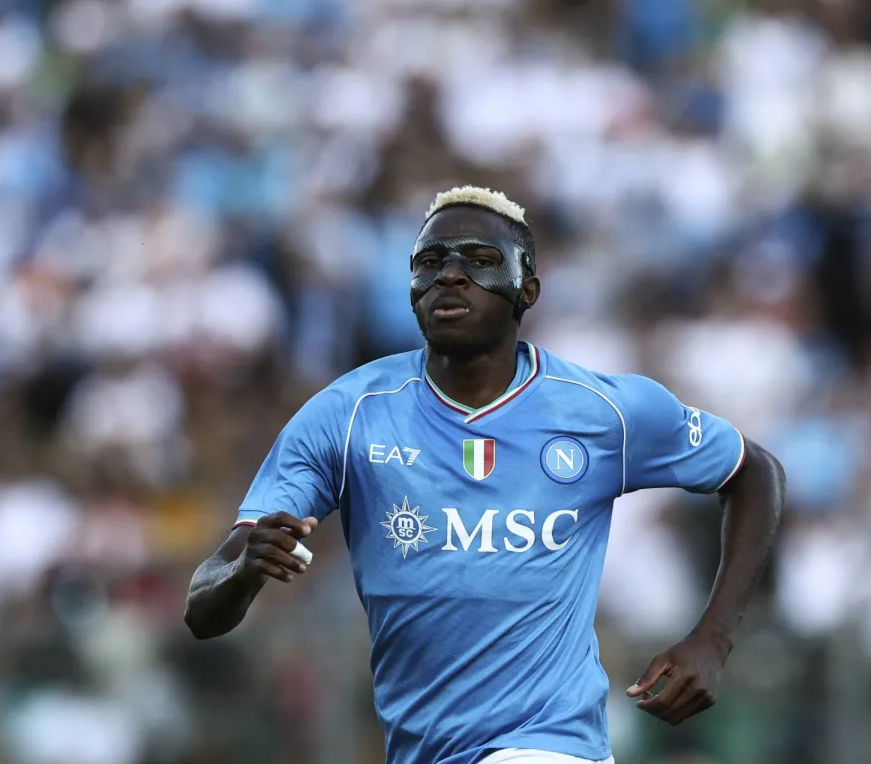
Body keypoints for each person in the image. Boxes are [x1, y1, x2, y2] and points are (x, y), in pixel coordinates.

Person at [184, 186, 786, 764]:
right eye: (430, 262)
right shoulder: (347, 415)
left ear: (527, 288)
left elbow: (755, 471)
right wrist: (243, 570)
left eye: (479, 260)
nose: (449, 275)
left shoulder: (604, 411)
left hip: (552, 746)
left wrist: (714, 637)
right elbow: (203, 610)